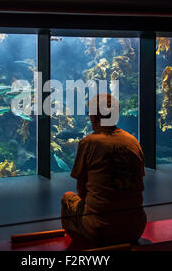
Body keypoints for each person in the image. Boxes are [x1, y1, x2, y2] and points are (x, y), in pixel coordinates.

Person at [61, 93, 147, 247]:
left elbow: (81, 189)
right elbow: (138, 183)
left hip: (99, 231)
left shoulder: (88, 143)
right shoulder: (133, 142)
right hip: (136, 229)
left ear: (94, 117)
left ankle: (82, 243)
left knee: (68, 198)